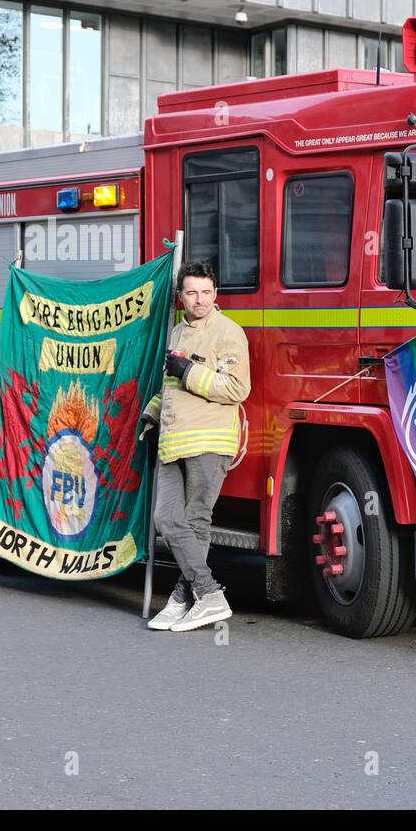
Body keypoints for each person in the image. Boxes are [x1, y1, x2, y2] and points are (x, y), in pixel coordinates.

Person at [141, 261, 251, 632]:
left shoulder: (228, 333)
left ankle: (185, 598)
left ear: (215, 294)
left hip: (208, 439)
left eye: (206, 292)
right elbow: (168, 384)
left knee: (195, 521)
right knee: (167, 519)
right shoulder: (176, 332)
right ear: (181, 297)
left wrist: (189, 371)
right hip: (173, 439)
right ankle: (202, 596)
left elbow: (237, 389)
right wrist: (151, 413)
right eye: (192, 293)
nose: (199, 300)